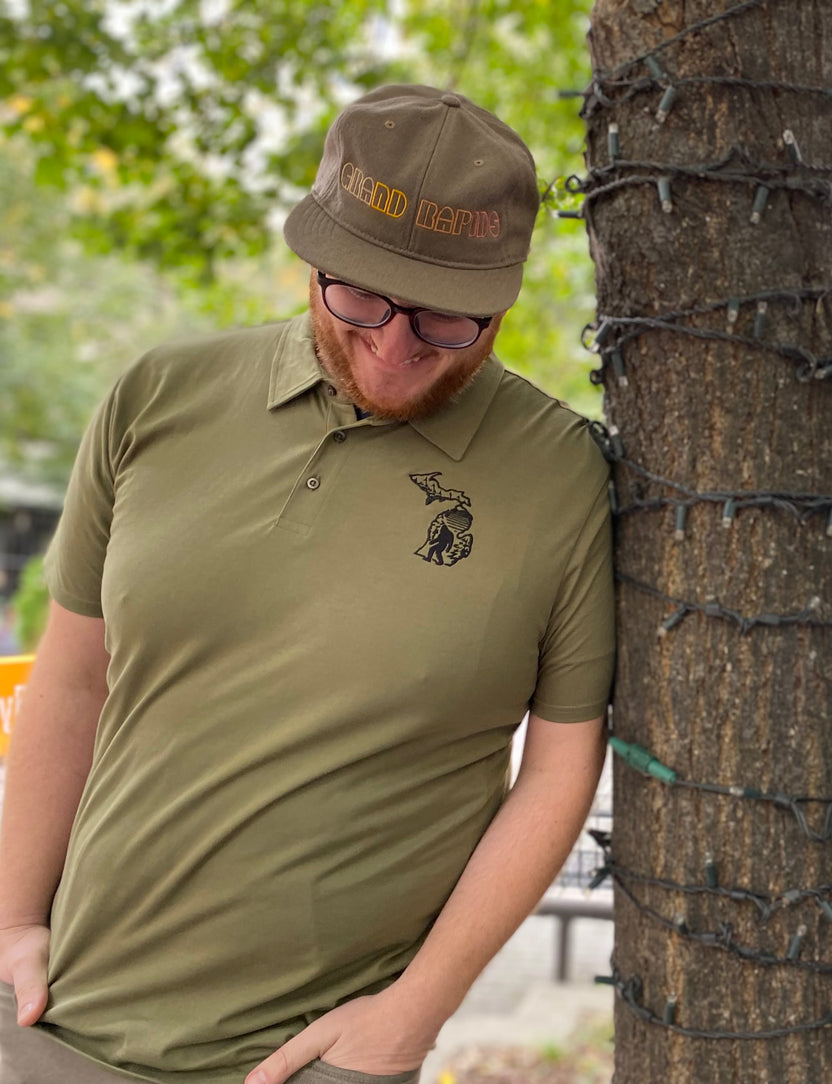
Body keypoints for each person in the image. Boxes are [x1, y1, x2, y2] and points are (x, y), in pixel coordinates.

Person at [0, 84, 615, 1084]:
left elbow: (554, 770)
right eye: (360, 295)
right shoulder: (159, 397)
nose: (394, 344)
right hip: (52, 1021)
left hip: (314, 1061)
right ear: (314, 254)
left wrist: (408, 1018)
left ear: (501, 297)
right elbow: (73, 680)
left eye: (444, 319)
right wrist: (12, 921)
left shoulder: (562, 474)